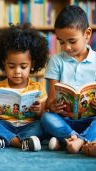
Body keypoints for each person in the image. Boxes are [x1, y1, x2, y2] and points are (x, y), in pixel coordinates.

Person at [0, 24, 48, 151]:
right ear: (3, 63)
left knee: (43, 124)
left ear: (32, 64)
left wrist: (39, 111)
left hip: (29, 126)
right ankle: (20, 142)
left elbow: (44, 115)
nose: (17, 71)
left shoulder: (38, 87)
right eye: (11, 66)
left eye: (23, 67)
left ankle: (2, 141)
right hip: (5, 125)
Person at [41, 5, 96, 154]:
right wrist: (53, 106)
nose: (67, 47)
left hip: (90, 120)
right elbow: (50, 102)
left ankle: (68, 141)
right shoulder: (56, 61)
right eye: (61, 42)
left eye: (72, 41)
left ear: (87, 34)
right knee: (46, 117)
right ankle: (81, 140)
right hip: (64, 120)